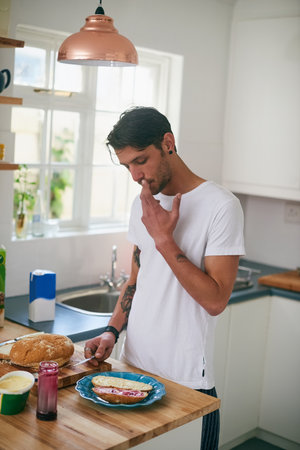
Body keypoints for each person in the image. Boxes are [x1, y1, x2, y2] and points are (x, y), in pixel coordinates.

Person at [84, 106, 245, 449]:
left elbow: (216, 300)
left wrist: (164, 239)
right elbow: (136, 277)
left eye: (141, 160)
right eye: (127, 165)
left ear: (168, 143)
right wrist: (112, 330)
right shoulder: (141, 202)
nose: (135, 175)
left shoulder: (221, 206)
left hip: (186, 381)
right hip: (133, 369)